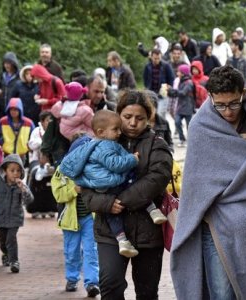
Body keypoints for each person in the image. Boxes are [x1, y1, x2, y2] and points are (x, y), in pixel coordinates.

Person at [170, 65, 246, 299]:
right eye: (220, 104)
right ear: (210, 96)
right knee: (221, 294)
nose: (228, 111)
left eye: (233, 103)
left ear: (243, 93)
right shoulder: (201, 127)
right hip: (215, 226)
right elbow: (197, 185)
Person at [81, 90, 173, 299]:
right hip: (110, 232)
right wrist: (106, 203)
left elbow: (157, 179)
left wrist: (120, 200)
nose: (133, 123)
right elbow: (85, 185)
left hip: (148, 233)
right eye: (127, 117)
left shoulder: (157, 144)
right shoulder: (100, 144)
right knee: (110, 285)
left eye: (139, 118)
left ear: (148, 118)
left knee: (147, 292)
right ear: (118, 114)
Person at [60, 109, 168, 256]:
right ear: (101, 132)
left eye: (140, 118)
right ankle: (153, 211)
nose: (119, 132)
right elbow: (115, 164)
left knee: (113, 215)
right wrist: (133, 159)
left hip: (105, 192)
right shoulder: (105, 145)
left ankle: (122, 240)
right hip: (112, 184)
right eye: (116, 129)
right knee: (131, 182)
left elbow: (157, 177)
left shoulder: (92, 146)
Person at [51, 145, 100, 297]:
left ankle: (92, 282)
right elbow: (58, 194)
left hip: (89, 218)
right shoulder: (62, 170)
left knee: (91, 251)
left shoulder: (94, 168)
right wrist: (74, 190)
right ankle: (72, 278)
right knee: (71, 251)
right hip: (70, 219)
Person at [0, 154, 34, 273]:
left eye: (18, 171)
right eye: (12, 170)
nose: (15, 173)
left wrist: (24, 189)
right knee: (3, 240)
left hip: (15, 217)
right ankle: (5, 253)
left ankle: (14, 261)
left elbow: (29, 200)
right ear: (5, 171)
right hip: (0, 216)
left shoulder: (21, 186)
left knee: (11, 239)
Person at [168, 64, 195, 148]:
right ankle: (182, 139)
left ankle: (191, 141)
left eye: (179, 71)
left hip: (188, 107)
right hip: (180, 107)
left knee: (189, 126)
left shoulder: (189, 83)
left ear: (183, 73)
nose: (177, 73)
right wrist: (170, 91)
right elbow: (177, 93)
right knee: (177, 122)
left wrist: (172, 90)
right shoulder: (180, 81)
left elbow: (183, 93)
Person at [143, 49, 175, 117]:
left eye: (158, 58)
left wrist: (169, 86)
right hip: (151, 92)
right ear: (151, 57)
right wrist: (146, 87)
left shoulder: (166, 66)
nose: (157, 60)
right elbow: (145, 78)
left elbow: (171, 78)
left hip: (163, 92)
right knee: (151, 113)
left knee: (160, 114)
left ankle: (162, 127)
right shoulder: (147, 66)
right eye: (155, 58)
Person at [0, 52, 21, 123]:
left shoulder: (19, 76)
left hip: (14, 107)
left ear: (13, 64)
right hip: (1, 107)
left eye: (9, 63)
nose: (6, 66)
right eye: (5, 63)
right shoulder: (2, 75)